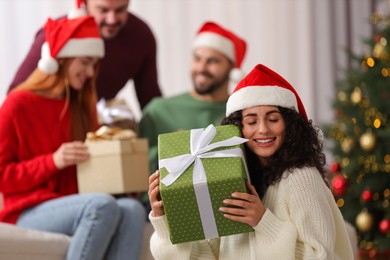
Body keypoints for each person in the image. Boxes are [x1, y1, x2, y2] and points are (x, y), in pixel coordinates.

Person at [147, 64, 354, 259]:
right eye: (252, 121)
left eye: (273, 119)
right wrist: (165, 220)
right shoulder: (234, 180)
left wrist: (263, 222)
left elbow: (322, 255)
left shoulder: (301, 178)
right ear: (239, 128)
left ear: (290, 125)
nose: (263, 129)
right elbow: (210, 254)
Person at [0, 14, 145, 260]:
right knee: (100, 206)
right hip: (27, 209)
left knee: (132, 210)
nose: (90, 73)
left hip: (76, 203)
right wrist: (53, 161)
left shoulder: (82, 106)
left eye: (94, 66)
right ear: (58, 61)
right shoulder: (16, 105)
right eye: (85, 63)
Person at [8, 0, 161, 110]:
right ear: (85, 4)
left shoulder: (141, 37)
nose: (112, 19)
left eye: (120, 10)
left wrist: (178, 146)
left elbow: (152, 103)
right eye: (103, 10)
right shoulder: (55, 35)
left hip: (94, 127)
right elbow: (15, 98)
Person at [139, 21, 247, 173]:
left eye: (212, 61)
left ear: (232, 68)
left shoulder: (243, 113)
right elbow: (136, 168)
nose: (201, 68)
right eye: (197, 59)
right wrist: (174, 147)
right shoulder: (158, 111)